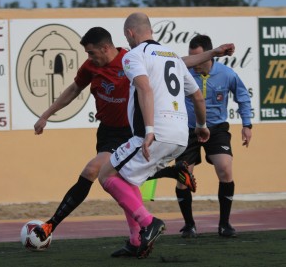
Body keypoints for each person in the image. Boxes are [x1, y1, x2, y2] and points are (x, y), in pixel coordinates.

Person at [32, 26, 234, 247]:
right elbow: (73, 89)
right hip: (107, 132)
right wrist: (46, 115)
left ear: (105, 47)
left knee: (95, 171)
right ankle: (139, 235)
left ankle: (52, 224)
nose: (89, 58)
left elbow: (181, 62)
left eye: (91, 52)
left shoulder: (132, 58)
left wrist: (213, 53)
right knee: (126, 182)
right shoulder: (91, 66)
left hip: (131, 131)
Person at [98, 12, 210, 259]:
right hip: (180, 136)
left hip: (155, 132)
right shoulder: (171, 56)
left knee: (106, 175)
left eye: (126, 37)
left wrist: (149, 131)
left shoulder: (134, 56)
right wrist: (202, 125)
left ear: (129, 33)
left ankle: (149, 223)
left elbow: (145, 88)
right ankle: (136, 240)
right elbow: (198, 97)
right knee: (127, 180)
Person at [175, 34, 252, 239]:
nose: (196, 63)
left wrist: (247, 125)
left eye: (199, 58)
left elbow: (243, 97)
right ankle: (189, 225)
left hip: (217, 129)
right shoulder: (183, 72)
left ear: (210, 56)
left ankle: (225, 224)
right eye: (193, 58)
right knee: (183, 178)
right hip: (188, 129)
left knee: (225, 168)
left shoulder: (227, 74)